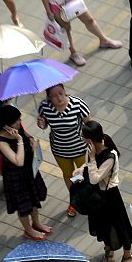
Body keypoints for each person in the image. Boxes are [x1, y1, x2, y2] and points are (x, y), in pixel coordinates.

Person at [79, 121, 132, 262]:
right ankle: (108, 248)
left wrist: (90, 160)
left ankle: (128, 255)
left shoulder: (110, 156)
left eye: (83, 136)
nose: (81, 138)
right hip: (96, 194)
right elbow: (88, 167)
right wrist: (80, 169)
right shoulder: (91, 150)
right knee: (101, 223)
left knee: (119, 225)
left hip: (110, 195)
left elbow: (95, 178)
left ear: (90, 139)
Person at [0, 105, 51, 241]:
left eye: (19, 119)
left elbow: (29, 137)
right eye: (16, 121)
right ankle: (28, 229)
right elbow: (18, 161)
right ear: (5, 125)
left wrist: (32, 141)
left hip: (29, 170)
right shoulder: (1, 142)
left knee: (34, 199)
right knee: (23, 205)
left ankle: (36, 222)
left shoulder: (18, 128)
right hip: (16, 177)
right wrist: (19, 140)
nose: (20, 123)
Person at [34, 84, 91, 218]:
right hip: (60, 149)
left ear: (65, 91)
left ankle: (86, 196)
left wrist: (92, 141)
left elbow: (89, 123)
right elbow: (45, 124)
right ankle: (74, 200)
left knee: (82, 174)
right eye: (54, 96)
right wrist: (41, 124)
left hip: (79, 147)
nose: (59, 98)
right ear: (48, 97)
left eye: (61, 93)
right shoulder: (44, 107)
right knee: (68, 175)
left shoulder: (78, 104)